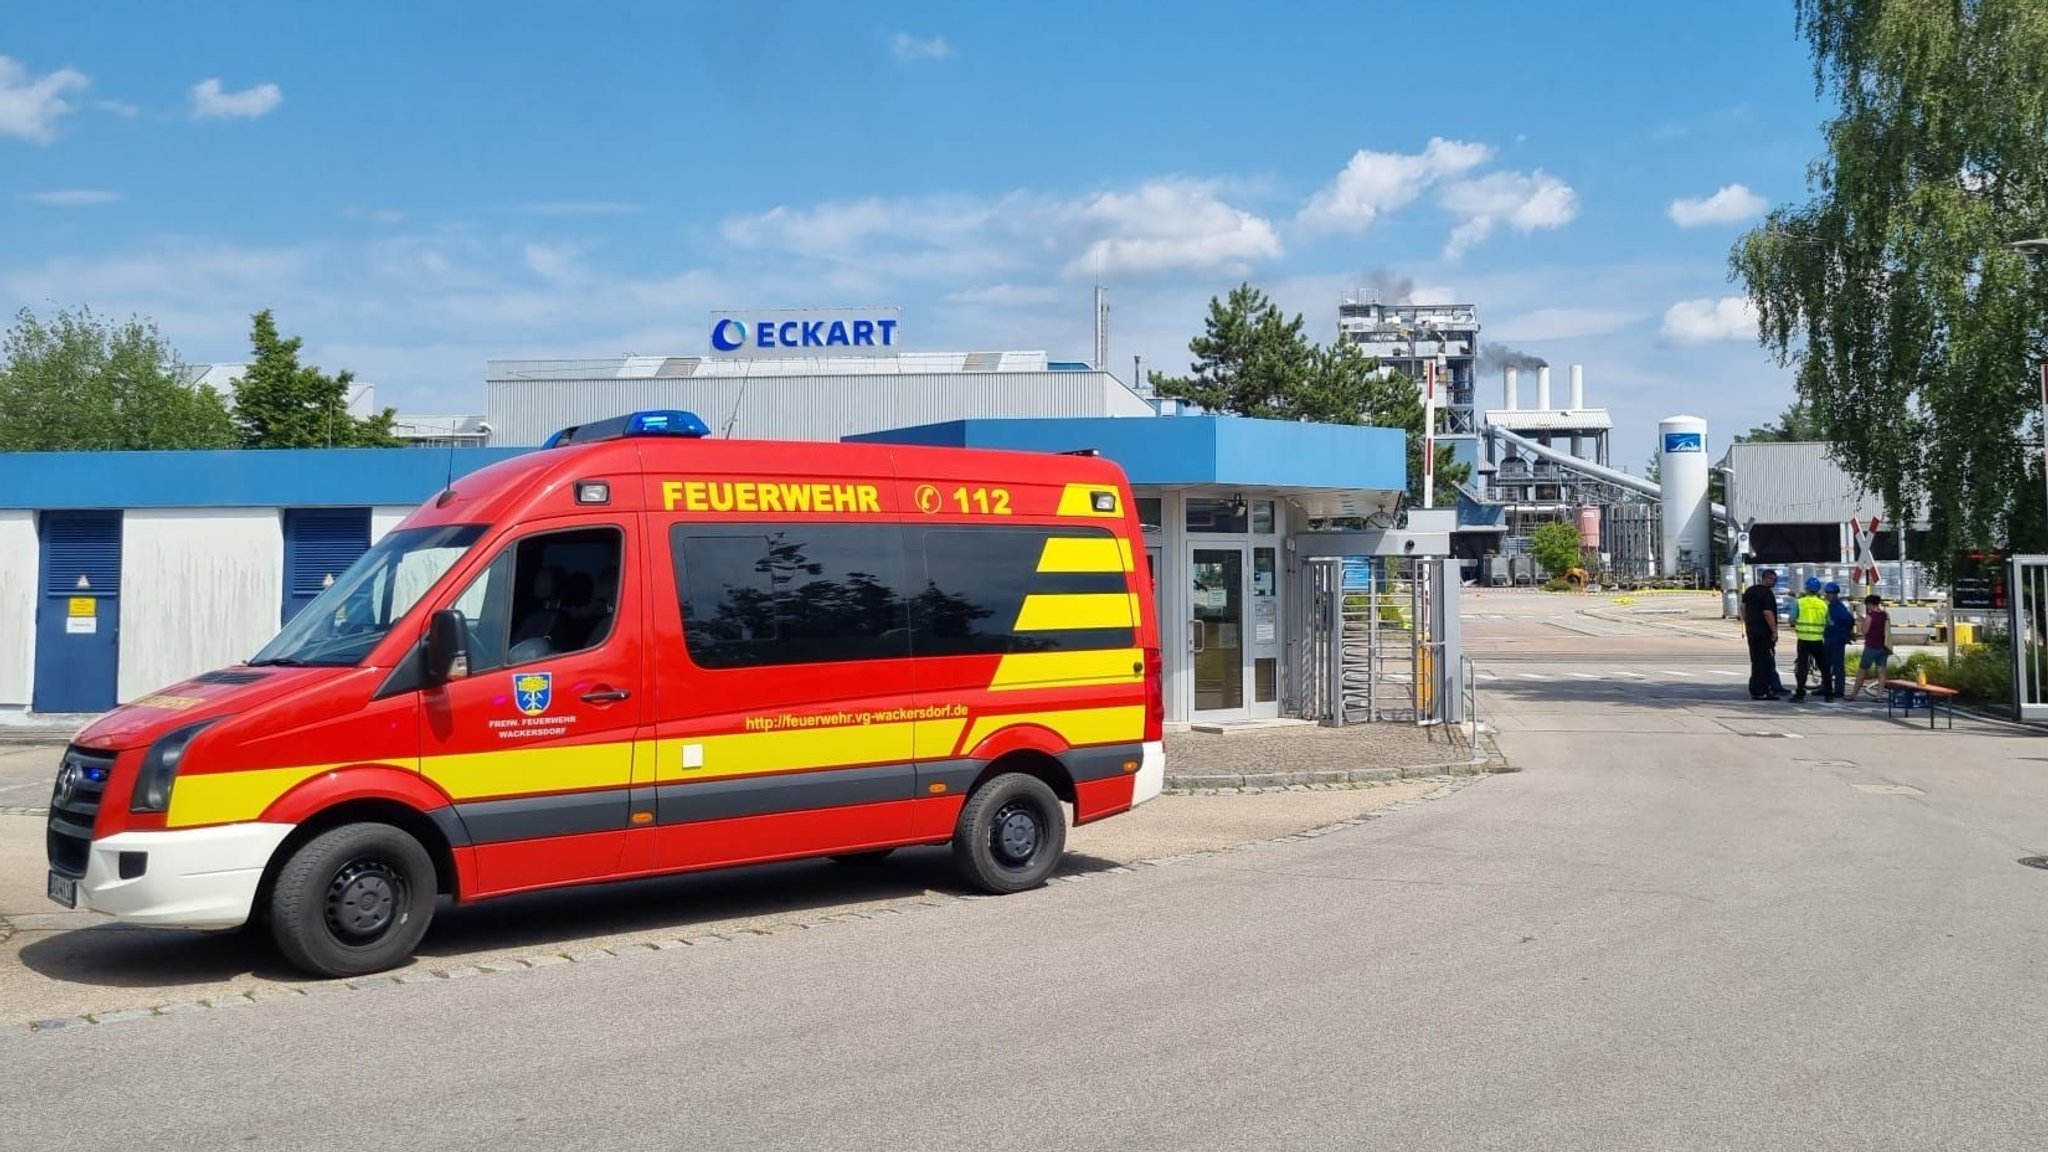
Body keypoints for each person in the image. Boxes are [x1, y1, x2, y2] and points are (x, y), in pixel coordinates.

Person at [1740, 567, 1784, 700]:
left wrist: (1748, 622)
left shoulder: (1750, 590)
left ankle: (1755, 689)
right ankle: (1763, 690)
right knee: (1765, 662)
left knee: (1756, 660)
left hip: (1752, 631)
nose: (1775, 582)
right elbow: (1767, 613)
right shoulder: (1767, 594)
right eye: (1773, 579)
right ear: (1767, 579)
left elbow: (1743, 607)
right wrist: (1774, 631)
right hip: (1763, 633)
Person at [1845, 593, 1891, 701]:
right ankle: (1879, 696)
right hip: (1883, 647)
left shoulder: (1870, 616)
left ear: (1870, 604)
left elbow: (1865, 631)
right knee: (1882, 671)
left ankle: (1853, 695)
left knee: (1862, 671)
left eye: (1867, 605)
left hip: (1871, 646)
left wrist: (1860, 622)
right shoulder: (1885, 615)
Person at [1791, 576, 1829, 702]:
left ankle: (1800, 693)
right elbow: (1829, 622)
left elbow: (1791, 619)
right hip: (1818, 640)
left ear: (1806, 588)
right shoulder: (1823, 604)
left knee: (1802, 667)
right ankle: (1829, 694)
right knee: (1824, 667)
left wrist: (1795, 623)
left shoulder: (1799, 602)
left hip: (1803, 639)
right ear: (1818, 590)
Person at [1822, 582, 1855, 702]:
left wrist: (1845, 633)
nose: (1828, 595)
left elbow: (1849, 619)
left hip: (1836, 640)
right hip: (1829, 638)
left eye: (1831, 593)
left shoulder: (1838, 607)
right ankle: (1825, 687)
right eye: (1828, 593)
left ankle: (1839, 690)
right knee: (1826, 665)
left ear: (1835, 594)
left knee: (1837, 666)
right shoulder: (1831, 606)